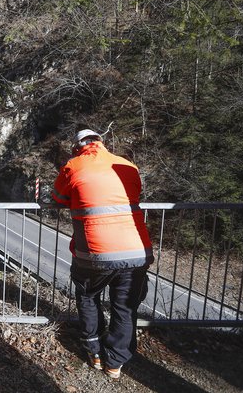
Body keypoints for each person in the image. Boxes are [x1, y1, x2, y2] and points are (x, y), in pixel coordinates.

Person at [51, 129, 153, 379]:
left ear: (77, 147)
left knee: (88, 297)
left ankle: (94, 352)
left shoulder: (73, 165)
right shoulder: (127, 165)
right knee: (125, 307)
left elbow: (58, 197)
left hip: (94, 252)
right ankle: (115, 363)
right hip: (135, 250)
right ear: (102, 143)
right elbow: (133, 194)